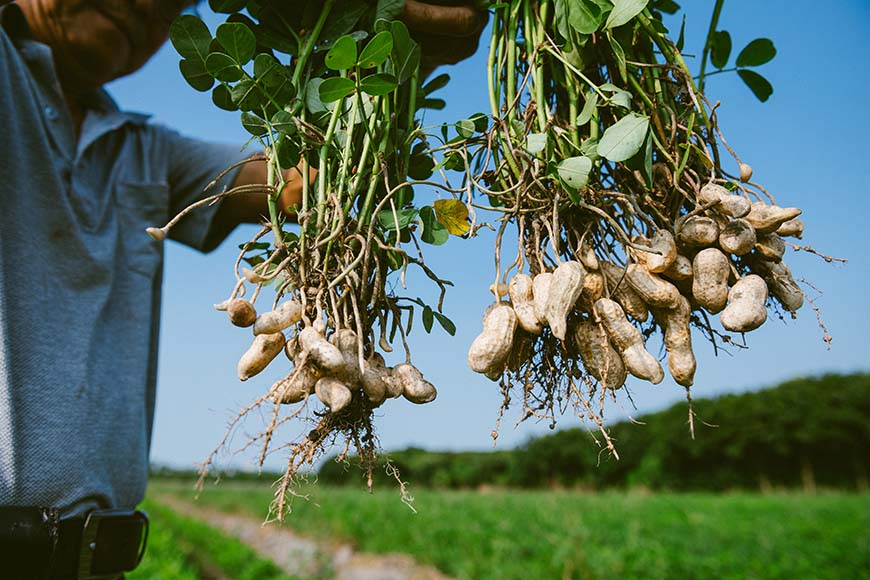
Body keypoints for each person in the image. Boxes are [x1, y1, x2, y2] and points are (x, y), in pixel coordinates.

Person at [0, 0, 485, 577]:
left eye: (170, 6)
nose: (144, 8)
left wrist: (396, 57)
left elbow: (306, 181)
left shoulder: (142, 149)